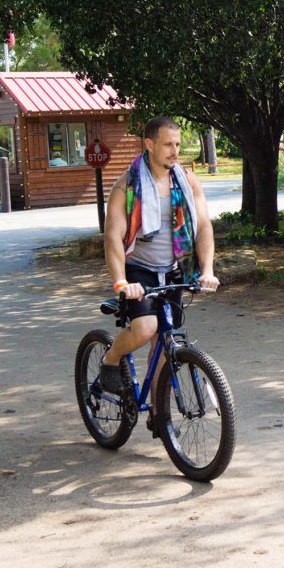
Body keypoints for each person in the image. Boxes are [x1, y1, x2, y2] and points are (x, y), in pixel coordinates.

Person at [99, 116, 220, 434]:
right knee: (146, 327)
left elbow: (204, 226)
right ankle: (111, 358)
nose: (174, 151)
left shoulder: (187, 181)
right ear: (149, 144)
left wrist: (207, 270)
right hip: (138, 270)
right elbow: (113, 236)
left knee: (167, 342)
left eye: (178, 144)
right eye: (168, 144)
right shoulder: (128, 185)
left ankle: (158, 411)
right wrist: (121, 282)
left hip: (173, 269)